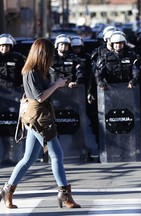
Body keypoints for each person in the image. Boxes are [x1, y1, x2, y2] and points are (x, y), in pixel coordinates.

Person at [0, 38, 81, 209]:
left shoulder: (39, 71)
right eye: (50, 55)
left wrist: (57, 83)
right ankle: (64, 194)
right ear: (43, 54)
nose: (52, 58)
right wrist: (57, 85)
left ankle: (7, 190)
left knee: (28, 158)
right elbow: (39, 96)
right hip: (38, 117)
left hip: (38, 115)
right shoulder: (30, 72)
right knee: (56, 154)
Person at [0, 33, 26, 165]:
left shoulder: (18, 59)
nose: (4, 48)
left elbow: (25, 75)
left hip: (14, 97)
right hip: (1, 98)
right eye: (2, 46)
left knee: (13, 127)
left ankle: (14, 155)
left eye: (7, 46)